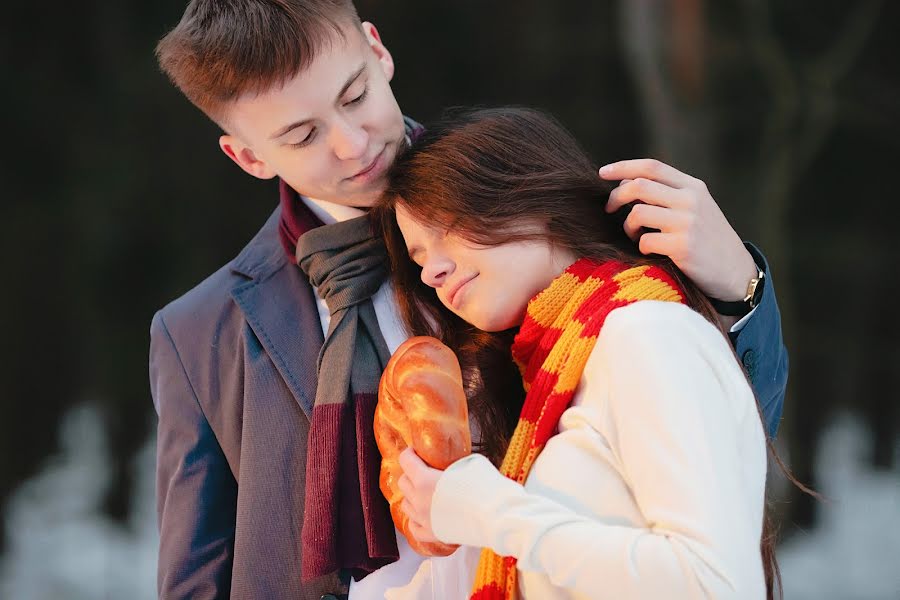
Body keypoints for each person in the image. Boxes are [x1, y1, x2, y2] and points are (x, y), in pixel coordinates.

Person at [149, 1, 787, 598]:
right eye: (303, 134)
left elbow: (722, 454)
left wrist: (738, 290)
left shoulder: (520, 206)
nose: (352, 143)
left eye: (355, 96)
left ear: (377, 50)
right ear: (247, 156)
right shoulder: (200, 334)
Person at [376, 107, 774, 599]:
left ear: (533, 195)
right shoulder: (541, 392)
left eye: (447, 226)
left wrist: (487, 510)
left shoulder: (648, 333)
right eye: (418, 260)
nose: (431, 273)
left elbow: (715, 585)